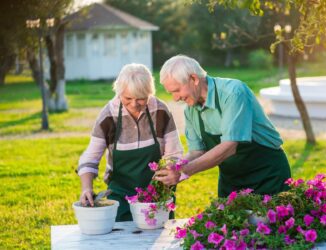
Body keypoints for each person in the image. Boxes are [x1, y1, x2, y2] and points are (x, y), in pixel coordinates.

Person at [155, 55, 291, 198]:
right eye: (171, 93)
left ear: (194, 79)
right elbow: (196, 151)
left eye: (177, 90)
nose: (175, 98)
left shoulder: (234, 93)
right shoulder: (190, 110)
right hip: (232, 181)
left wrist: (184, 171)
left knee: (270, 220)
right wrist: (173, 168)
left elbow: (229, 147)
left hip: (267, 174)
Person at [77, 63, 183, 221]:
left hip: (157, 197)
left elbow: (174, 154)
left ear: (149, 93)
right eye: (127, 98)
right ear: (119, 92)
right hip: (121, 197)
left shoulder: (160, 111)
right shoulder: (108, 115)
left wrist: (167, 175)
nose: (134, 104)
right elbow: (90, 158)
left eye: (141, 99)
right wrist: (87, 188)